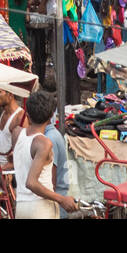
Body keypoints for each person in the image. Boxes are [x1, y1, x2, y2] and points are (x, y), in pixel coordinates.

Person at [14, 90, 77, 218]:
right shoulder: (44, 143)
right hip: (40, 208)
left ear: (27, 114)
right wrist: (62, 199)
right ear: (51, 116)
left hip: (21, 206)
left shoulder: (16, 133)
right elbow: (31, 182)